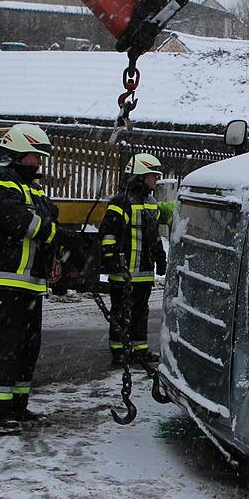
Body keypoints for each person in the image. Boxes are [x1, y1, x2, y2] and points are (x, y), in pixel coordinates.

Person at [0, 123, 61, 435]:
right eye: (35, 156)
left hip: (26, 284)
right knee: (5, 349)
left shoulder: (30, 187)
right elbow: (18, 221)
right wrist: (52, 232)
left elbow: (47, 217)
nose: (39, 162)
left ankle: (17, 407)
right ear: (19, 154)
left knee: (26, 349)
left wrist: (54, 245)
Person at [99, 152, 169, 365]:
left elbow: (153, 234)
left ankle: (139, 348)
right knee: (121, 311)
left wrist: (160, 256)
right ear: (140, 176)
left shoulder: (151, 202)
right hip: (124, 272)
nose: (156, 180)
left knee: (140, 312)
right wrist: (110, 258)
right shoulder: (121, 202)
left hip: (144, 272)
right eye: (153, 175)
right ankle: (119, 350)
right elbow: (108, 232)